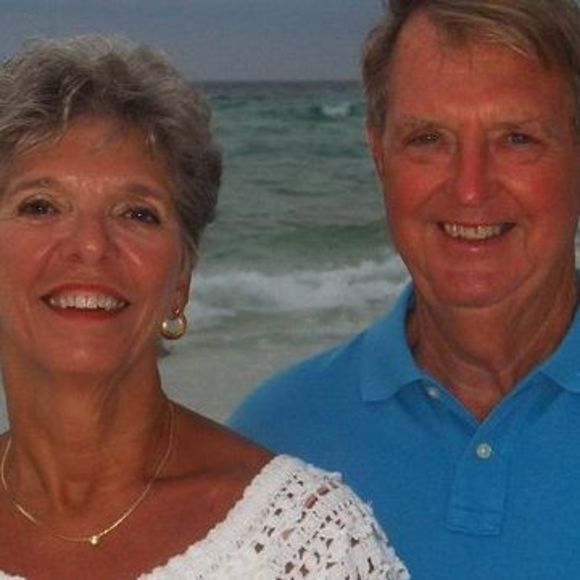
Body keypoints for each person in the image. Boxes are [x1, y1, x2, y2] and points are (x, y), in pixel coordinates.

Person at [0, 36, 409, 579]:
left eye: (137, 213)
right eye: (41, 206)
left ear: (181, 282)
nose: (91, 245)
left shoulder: (305, 544)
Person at [229, 0, 580, 578]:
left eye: (517, 138)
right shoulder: (272, 445)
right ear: (379, 156)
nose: (470, 188)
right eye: (428, 138)